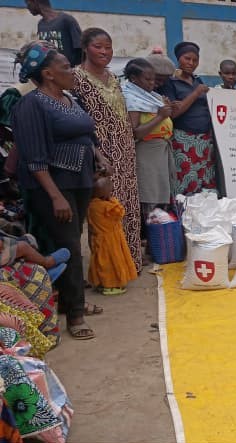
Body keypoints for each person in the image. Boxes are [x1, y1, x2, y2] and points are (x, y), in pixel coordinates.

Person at [12, 41, 111, 340]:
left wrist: (99, 156)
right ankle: (76, 315)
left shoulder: (69, 98)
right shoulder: (32, 105)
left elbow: (87, 133)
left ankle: (69, 302)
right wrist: (55, 196)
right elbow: (34, 157)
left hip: (79, 181)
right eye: (66, 67)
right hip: (53, 186)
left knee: (71, 241)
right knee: (69, 245)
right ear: (48, 74)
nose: (72, 71)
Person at [72, 28, 143, 273]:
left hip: (125, 150)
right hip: (100, 150)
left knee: (128, 206)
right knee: (105, 210)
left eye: (108, 47)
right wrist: (95, 152)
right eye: (98, 47)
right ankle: (110, 271)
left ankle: (130, 264)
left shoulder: (113, 78)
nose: (104, 52)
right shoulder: (76, 78)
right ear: (85, 48)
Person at [158, 42, 218, 197]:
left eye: (195, 60)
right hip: (183, 141)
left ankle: (203, 210)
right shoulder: (170, 83)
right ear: (179, 59)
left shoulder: (198, 81)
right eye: (187, 58)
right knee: (185, 180)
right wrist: (196, 93)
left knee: (205, 181)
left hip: (204, 140)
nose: (191, 63)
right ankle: (183, 210)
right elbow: (173, 113)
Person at [122, 58, 174, 226]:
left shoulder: (150, 97)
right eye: (148, 79)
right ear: (134, 78)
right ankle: (151, 234)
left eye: (153, 79)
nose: (152, 83)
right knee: (150, 195)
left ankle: (159, 234)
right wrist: (160, 116)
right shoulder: (132, 98)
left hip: (160, 152)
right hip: (147, 154)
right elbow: (134, 132)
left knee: (160, 196)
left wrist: (167, 110)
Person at [87, 177, 137, 295]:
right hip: (111, 240)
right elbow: (120, 212)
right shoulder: (108, 206)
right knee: (112, 263)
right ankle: (111, 285)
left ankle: (100, 283)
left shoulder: (91, 206)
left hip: (98, 238)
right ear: (105, 194)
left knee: (100, 262)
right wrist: (113, 200)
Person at [26, 0, 82, 66]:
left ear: (35, 2)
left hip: (68, 69)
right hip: (51, 70)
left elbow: (80, 48)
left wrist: (73, 68)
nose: (27, 7)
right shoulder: (41, 24)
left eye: (28, 3)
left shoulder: (66, 20)